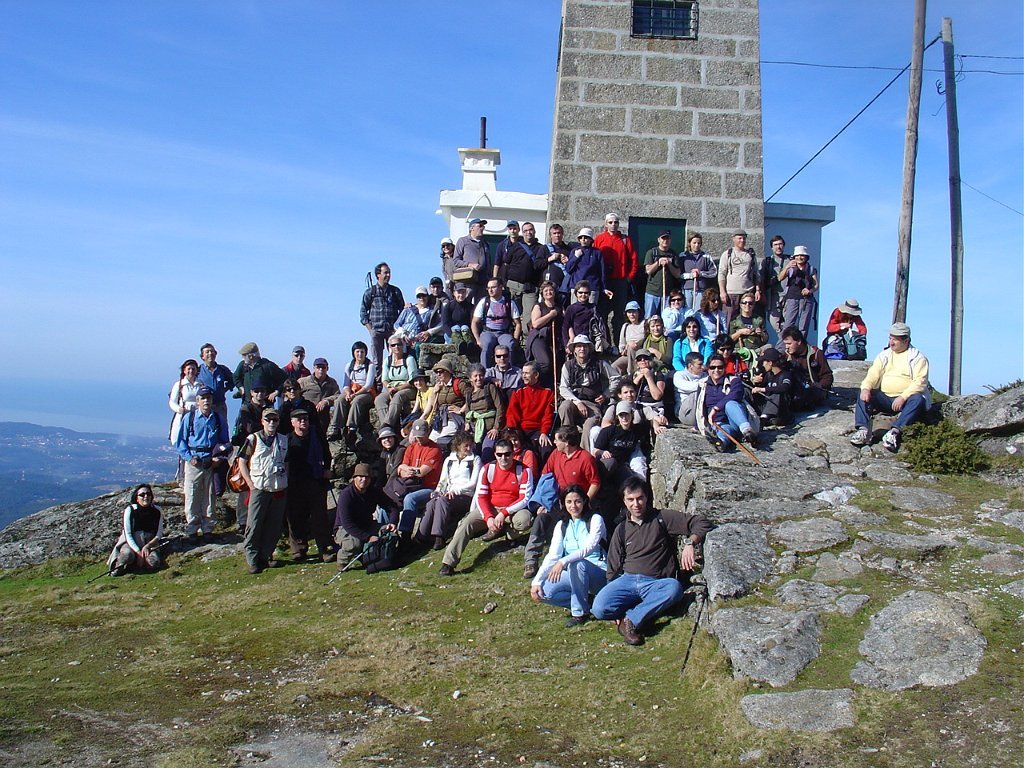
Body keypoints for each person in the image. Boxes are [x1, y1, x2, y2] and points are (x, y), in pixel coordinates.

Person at [591, 477, 712, 646]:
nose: (636, 504)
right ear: (624, 501)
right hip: (627, 580)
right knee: (599, 608)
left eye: (640, 498)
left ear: (647, 497)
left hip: (656, 582)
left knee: (674, 588)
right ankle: (637, 614)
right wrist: (613, 596)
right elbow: (613, 566)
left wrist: (690, 543)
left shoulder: (662, 518)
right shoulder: (621, 529)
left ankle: (631, 621)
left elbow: (701, 522)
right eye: (630, 500)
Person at [438, 439, 535, 576]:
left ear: (513, 453)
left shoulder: (524, 471)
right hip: (491, 508)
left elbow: (524, 498)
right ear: (494, 454)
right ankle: (448, 563)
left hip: (512, 510)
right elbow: (481, 496)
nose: (503, 458)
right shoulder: (487, 469)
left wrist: (504, 513)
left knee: (525, 520)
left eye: (507, 454)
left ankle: (510, 534)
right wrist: (489, 518)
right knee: (466, 523)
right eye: (499, 454)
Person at [523, 425, 601, 579]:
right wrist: (544, 502)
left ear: (567, 442)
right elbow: (546, 475)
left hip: (578, 506)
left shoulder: (585, 458)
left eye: (557, 439)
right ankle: (531, 561)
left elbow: (595, 482)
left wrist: (583, 502)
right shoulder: (555, 455)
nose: (554, 442)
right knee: (541, 520)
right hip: (559, 503)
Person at [529, 485, 607, 627]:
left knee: (578, 564)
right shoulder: (562, 525)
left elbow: (588, 548)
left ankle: (579, 613)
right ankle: (588, 602)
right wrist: (536, 581)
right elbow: (553, 555)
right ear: (563, 504)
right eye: (569, 502)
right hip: (574, 573)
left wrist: (563, 561)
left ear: (584, 501)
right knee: (545, 591)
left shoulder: (595, 519)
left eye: (577, 501)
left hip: (598, 572)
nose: (573, 506)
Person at [850, 322, 930, 453]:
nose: (891, 342)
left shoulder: (918, 358)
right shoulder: (884, 355)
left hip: (905, 400)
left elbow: (920, 382)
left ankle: (894, 432)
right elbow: (873, 374)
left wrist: (903, 397)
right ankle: (863, 431)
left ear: (906, 340)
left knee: (918, 399)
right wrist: (866, 388)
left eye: (895, 339)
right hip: (885, 398)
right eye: (890, 338)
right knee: (863, 392)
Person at [236, 408, 289, 573]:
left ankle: (265, 556)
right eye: (268, 420)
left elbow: (287, 462)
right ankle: (252, 559)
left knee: (274, 525)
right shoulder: (253, 439)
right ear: (262, 421)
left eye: (275, 420)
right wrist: (250, 484)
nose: (271, 423)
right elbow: (241, 461)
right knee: (254, 524)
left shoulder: (283, 440)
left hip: (278, 487)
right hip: (259, 487)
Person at [175, 386, 230, 538]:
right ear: (197, 401)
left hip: (212, 460)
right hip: (194, 460)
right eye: (203, 398)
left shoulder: (218, 418)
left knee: (209, 495)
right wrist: (189, 458)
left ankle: (208, 528)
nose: (206, 401)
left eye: (209, 398)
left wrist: (220, 458)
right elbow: (180, 442)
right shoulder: (190, 418)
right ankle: (192, 528)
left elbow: (225, 441)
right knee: (192, 494)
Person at [284, 409, 335, 562]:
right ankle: (298, 550)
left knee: (320, 516)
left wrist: (326, 469)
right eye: (299, 419)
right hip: (294, 483)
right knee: (295, 517)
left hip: (315, 480)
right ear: (292, 423)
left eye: (305, 419)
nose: (303, 422)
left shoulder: (317, 436)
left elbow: (327, 454)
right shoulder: (287, 440)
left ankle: (325, 549)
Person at [417, 432, 481, 550]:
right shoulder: (449, 460)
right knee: (432, 502)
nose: (469, 448)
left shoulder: (475, 460)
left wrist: (456, 490)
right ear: (458, 446)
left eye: (470, 445)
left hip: (466, 496)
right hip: (449, 494)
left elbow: (473, 483)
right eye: (465, 446)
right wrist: (437, 491)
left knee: (442, 501)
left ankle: (439, 536)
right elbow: (443, 480)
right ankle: (421, 537)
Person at [557, 334, 620, 443]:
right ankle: (567, 442)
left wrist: (606, 394)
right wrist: (577, 402)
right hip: (574, 401)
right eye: (579, 346)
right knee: (564, 407)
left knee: (589, 427)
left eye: (585, 346)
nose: (582, 349)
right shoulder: (567, 366)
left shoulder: (599, 364)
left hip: (593, 403)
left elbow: (616, 378)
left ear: (589, 349)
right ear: (574, 350)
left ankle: (583, 454)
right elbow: (563, 388)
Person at [333, 463, 396, 572]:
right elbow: (347, 523)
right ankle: (342, 561)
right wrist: (368, 538)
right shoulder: (346, 495)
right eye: (360, 477)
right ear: (354, 478)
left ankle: (373, 556)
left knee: (388, 534)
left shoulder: (374, 491)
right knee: (354, 543)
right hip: (344, 528)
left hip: (367, 525)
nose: (363, 480)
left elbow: (392, 507)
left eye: (367, 477)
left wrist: (392, 522)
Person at [696, 354, 758, 451]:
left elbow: (736, 394)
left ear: (724, 368)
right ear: (708, 369)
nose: (716, 370)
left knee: (730, 403)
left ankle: (748, 432)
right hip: (718, 423)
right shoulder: (702, 384)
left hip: (737, 421)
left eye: (720, 367)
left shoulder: (734, 380)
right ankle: (721, 443)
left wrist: (716, 408)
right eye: (713, 367)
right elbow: (699, 406)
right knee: (723, 430)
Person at [394, 420, 444, 539]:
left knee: (410, 499)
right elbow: (400, 470)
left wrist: (406, 469)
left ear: (428, 433)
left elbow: (422, 472)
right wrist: (404, 468)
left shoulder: (434, 449)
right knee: (389, 498)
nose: (419, 439)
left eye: (421, 436)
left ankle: (405, 535)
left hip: (429, 488)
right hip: (410, 485)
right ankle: (386, 537)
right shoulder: (411, 448)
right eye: (417, 436)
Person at [593, 212, 637, 338]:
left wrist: (629, 277)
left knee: (619, 315)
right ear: (606, 224)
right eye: (610, 222)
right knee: (602, 314)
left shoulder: (625, 240)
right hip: (604, 282)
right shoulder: (599, 239)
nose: (613, 225)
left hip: (620, 282)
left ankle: (619, 344)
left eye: (616, 222)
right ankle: (604, 343)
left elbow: (634, 259)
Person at [107, 484, 164, 576]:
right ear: (137, 498)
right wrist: (138, 552)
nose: (146, 497)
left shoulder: (157, 511)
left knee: (154, 562)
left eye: (148, 494)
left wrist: (147, 547)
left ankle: (136, 565)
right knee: (127, 555)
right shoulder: (130, 510)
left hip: (149, 542)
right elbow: (128, 535)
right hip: (131, 542)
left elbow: (159, 534)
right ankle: (118, 568)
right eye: (142, 495)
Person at [359, 262, 405, 372]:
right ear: (378, 275)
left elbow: (403, 311)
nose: (388, 275)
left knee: (395, 358)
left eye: (389, 273)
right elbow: (363, 312)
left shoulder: (395, 291)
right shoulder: (370, 292)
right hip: (377, 331)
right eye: (386, 273)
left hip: (392, 331)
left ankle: (393, 384)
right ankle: (378, 386)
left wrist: (398, 328)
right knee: (377, 362)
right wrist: (371, 329)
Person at [594, 401, 652, 484]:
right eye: (621, 415)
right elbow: (595, 451)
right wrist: (602, 452)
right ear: (617, 417)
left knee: (631, 483)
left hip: (621, 465)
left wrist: (657, 425)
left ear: (632, 414)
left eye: (626, 414)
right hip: (606, 463)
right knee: (611, 463)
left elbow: (652, 419)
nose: (624, 418)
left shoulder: (636, 430)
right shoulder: (609, 430)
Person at [505, 362, 555, 458]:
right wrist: (512, 432)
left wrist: (544, 432)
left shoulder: (548, 392)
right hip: (520, 430)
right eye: (523, 373)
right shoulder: (518, 392)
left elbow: (548, 415)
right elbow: (512, 413)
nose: (524, 376)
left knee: (546, 448)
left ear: (536, 375)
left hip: (538, 429)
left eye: (527, 373)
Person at [328, 344, 376, 442]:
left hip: (367, 393)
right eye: (357, 351)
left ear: (365, 353)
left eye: (362, 352)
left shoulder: (370, 366)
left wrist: (355, 395)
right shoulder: (349, 365)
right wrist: (348, 393)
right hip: (352, 390)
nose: (360, 354)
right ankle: (336, 428)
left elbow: (368, 385)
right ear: (353, 353)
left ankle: (352, 428)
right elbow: (346, 384)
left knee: (356, 401)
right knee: (340, 400)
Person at [472, 277, 522, 368]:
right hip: (488, 332)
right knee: (486, 346)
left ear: (501, 287)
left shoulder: (509, 303)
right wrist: (478, 339)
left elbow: (518, 323)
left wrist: (515, 339)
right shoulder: (484, 302)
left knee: (509, 346)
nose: (490, 290)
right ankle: (485, 373)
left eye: (493, 287)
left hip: (504, 332)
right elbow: (474, 322)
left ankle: (510, 371)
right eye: (488, 288)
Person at [780, 326, 834, 409]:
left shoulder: (816, 354)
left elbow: (828, 376)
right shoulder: (786, 356)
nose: (786, 347)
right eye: (785, 344)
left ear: (799, 341)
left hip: (813, 389)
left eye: (789, 344)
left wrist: (820, 384)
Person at [374, 336, 418, 430]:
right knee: (379, 399)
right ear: (390, 347)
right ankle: (388, 428)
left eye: (399, 344)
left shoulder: (409, 359)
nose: (396, 347)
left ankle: (387, 425)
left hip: (408, 388)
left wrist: (397, 389)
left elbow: (412, 380)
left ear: (403, 345)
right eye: (393, 345)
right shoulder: (388, 361)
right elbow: (384, 379)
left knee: (398, 396)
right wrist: (389, 389)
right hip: (392, 388)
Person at [718, 229, 760, 325]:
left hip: (747, 293)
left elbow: (756, 274)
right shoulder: (727, 254)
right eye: (739, 238)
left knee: (747, 320)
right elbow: (721, 274)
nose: (742, 240)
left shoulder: (750, 255)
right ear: (733, 239)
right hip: (731, 293)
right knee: (729, 320)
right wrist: (722, 292)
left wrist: (757, 290)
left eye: (744, 238)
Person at [525, 280, 563, 386]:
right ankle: (538, 384)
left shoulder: (559, 307)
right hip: (538, 337)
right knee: (545, 363)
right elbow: (536, 324)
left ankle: (553, 388)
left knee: (557, 364)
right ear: (542, 294)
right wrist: (551, 315)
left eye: (551, 290)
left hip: (555, 338)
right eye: (546, 290)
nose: (548, 292)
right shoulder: (538, 306)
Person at [463, 363, 505, 461]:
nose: (479, 378)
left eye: (481, 375)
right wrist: (467, 423)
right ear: (470, 378)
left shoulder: (490, 388)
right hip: (474, 429)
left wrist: (496, 428)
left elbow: (500, 407)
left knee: (487, 451)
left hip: (490, 429)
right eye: (475, 376)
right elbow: (468, 411)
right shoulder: (469, 393)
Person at [496, 219, 537, 315]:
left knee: (527, 315)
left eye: (514, 228)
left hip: (530, 287)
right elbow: (502, 264)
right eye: (510, 228)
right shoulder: (506, 245)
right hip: (512, 286)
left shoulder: (538, 247)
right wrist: (501, 281)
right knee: (510, 313)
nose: (513, 230)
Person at [778, 246, 818, 339]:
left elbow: (816, 285)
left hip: (806, 299)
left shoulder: (811, 269)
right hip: (792, 297)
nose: (799, 258)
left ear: (806, 257)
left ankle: (800, 346)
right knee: (788, 324)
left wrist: (810, 290)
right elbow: (780, 278)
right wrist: (787, 266)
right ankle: (785, 346)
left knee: (803, 326)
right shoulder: (791, 268)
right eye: (797, 255)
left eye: (802, 255)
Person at [749, 348, 795, 427]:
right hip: (767, 405)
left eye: (764, 362)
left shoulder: (785, 374)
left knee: (777, 393)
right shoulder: (768, 375)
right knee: (747, 390)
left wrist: (763, 389)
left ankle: (764, 419)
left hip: (781, 409)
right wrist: (756, 383)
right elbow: (760, 389)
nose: (763, 365)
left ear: (770, 362)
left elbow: (785, 387)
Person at [296, 358, 341, 437]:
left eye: (323, 367)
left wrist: (326, 401)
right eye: (318, 367)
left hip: (323, 417)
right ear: (314, 368)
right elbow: (292, 393)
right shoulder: (303, 381)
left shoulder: (332, 382)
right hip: (305, 417)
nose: (321, 369)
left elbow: (338, 396)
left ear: (327, 368)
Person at [394, 285, 443, 358]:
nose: (422, 298)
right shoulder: (408, 310)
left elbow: (441, 323)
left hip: (416, 342)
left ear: (427, 296)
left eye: (424, 296)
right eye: (419, 296)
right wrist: (403, 334)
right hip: (402, 341)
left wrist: (429, 332)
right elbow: (397, 324)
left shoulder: (432, 312)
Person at [561, 280, 609, 352]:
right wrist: (566, 344)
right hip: (576, 342)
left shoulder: (594, 308)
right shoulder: (571, 308)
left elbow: (602, 325)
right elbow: (565, 327)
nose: (583, 295)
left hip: (591, 342)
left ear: (589, 294)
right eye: (580, 292)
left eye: (586, 293)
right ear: (576, 293)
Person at [562, 228, 606, 305]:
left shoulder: (597, 253)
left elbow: (601, 271)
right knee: (576, 311)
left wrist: (604, 287)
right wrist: (575, 257)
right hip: (577, 287)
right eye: (581, 238)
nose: (583, 240)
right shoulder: (574, 251)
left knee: (591, 312)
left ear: (590, 239)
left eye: (586, 237)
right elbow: (568, 269)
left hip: (592, 287)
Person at [642, 230, 679, 318]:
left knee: (666, 319)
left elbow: (677, 274)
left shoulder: (673, 254)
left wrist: (669, 264)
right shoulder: (651, 253)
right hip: (652, 293)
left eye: (668, 238)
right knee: (649, 318)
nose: (665, 240)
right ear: (659, 240)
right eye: (663, 238)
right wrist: (658, 263)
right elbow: (648, 271)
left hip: (667, 294)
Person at [679, 232, 718, 311]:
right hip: (687, 289)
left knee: (699, 311)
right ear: (689, 243)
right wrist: (691, 275)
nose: (696, 245)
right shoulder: (682, 256)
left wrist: (700, 273)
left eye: (698, 243)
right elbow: (678, 273)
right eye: (694, 243)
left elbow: (714, 272)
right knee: (687, 311)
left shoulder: (706, 256)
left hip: (701, 290)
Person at [168, 359, 201, 452]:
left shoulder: (200, 384)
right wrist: (179, 409)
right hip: (182, 415)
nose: (191, 371)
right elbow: (172, 402)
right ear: (184, 370)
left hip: (197, 416)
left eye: (193, 369)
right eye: (189, 369)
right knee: (181, 440)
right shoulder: (179, 385)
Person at [761, 235, 789, 341]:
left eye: (780, 244)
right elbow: (762, 279)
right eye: (775, 245)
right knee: (774, 322)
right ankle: (784, 341)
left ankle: (785, 344)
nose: (778, 247)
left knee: (788, 323)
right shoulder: (767, 262)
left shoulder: (790, 260)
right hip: (773, 296)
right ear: (772, 247)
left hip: (787, 297)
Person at [453, 218, 491, 295]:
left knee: (481, 304)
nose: (482, 228)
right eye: (480, 226)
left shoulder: (485, 244)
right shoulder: (463, 241)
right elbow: (456, 261)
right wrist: (470, 265)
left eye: (483, 226)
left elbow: (488, 263)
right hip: (468, 281)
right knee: (467, 303)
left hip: (483, 281)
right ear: (471, 228)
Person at [198, 343, 235, 423]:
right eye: (207, 352)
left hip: (219, 405)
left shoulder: (222, 369)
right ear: (202, 357)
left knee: (222, 428)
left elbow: (234, 379)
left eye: (212, 351)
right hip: (205, 406)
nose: (210, 353)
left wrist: (225, 389)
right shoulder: (199, 370)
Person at [673, 351, 707, 427]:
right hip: (685, 413)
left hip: (702, 411)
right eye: (699, 364)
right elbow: (686, 386)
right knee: (697, 393)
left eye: (703, 364)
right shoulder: (679, 375)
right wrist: (703, 385)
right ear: (690, 365)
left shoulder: (705, 376)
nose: (703, 367)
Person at [613, 300, 647, 374]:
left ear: (638, 312)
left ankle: (631, 374)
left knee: (632, 347)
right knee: (613, 367)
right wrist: (626, 347)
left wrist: (631, 344)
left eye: (634, 312)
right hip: (627, 355)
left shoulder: (644, 324)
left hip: (641, 355)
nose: (632, 314)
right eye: (629, 312)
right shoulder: (625, 326)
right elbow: (621, 346)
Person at [442, 282, 476, 354]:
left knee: (464, 327)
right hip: (452, 332)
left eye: (463, 292)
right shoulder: (449, 306)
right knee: (456, 328)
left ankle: (469, 345)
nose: (461, 295)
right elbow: (444, 324)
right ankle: (459, 344)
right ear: (454, 293)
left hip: (466, 332)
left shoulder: (470, 307)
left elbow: (473, 322)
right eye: (458, 292)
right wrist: (451, 334)